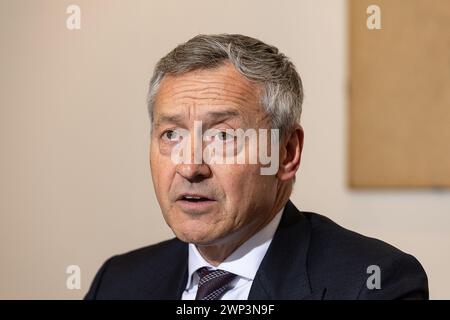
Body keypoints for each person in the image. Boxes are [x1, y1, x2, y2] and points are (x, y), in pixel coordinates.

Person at [85, 34, 428, 300]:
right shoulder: (118, 282)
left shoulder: (372, 284)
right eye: (171, 134)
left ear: (286, 153)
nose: (190, 166)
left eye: (222, 136)